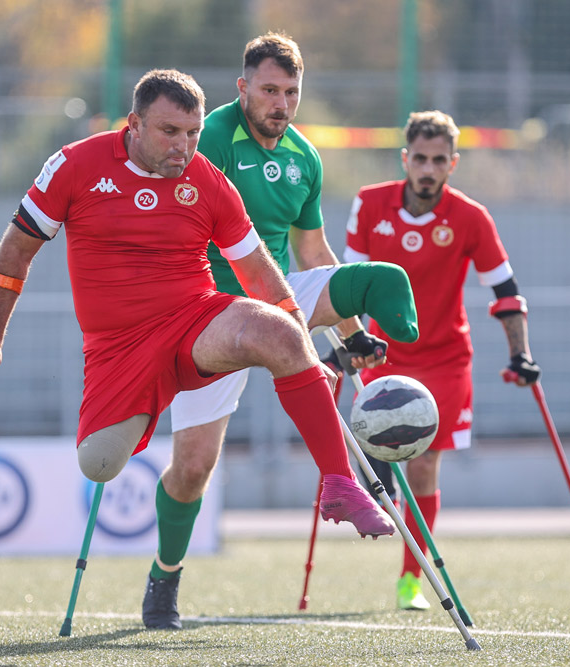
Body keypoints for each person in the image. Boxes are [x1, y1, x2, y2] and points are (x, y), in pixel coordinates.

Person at [0, 68, 397, 625]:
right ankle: (161, 563)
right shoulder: (75, 165)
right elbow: (14, 255)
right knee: (100, 463)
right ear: (134, 123)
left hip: (194, 320)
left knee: (280, 331)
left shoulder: (207, 180)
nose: (184, 146)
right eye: (170, 131)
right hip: (117, 348)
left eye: (192, 132)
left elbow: (258, 269)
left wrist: (299, 342)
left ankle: (339, 482)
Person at [148, 33, 420, 630]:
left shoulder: (305, 157)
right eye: (269, 90)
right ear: (243, 87)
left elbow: (312, 252)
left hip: (273, 298)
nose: (281, 103)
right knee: (193, 468)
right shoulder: (208, 138)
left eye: (291, 92)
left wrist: (347, 334)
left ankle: (343, 473)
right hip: (203, 310)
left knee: (356, 277)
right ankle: (164, 578)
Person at [344, 111, 541, 611]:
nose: (428, 169)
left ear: (452, 164)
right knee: (375, 457)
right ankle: (378, 482)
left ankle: (413, 577)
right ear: (404, 159)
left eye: (439, 161)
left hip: (446, 358)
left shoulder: (471, 217)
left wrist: (521, 354)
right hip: (383, 352)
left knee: (426, 463)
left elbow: (506, 291)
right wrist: (348, 341)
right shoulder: (369, 204)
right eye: (420, 159)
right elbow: (345, 284)